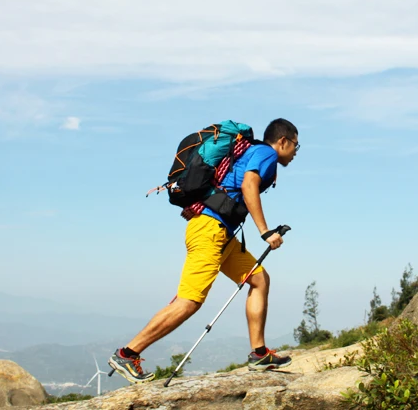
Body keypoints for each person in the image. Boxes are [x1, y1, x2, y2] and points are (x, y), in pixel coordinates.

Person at [108, 118, 300, 383]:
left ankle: (259, 354)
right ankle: (127, 354)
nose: (295, 153)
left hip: (221, 233)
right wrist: (265, 232)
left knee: (259, 279)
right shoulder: (266, 153)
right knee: (189, 301)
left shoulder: (253, 151)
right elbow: (248, 185)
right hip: (210, 230)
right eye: (295, 146)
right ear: (283, 141)